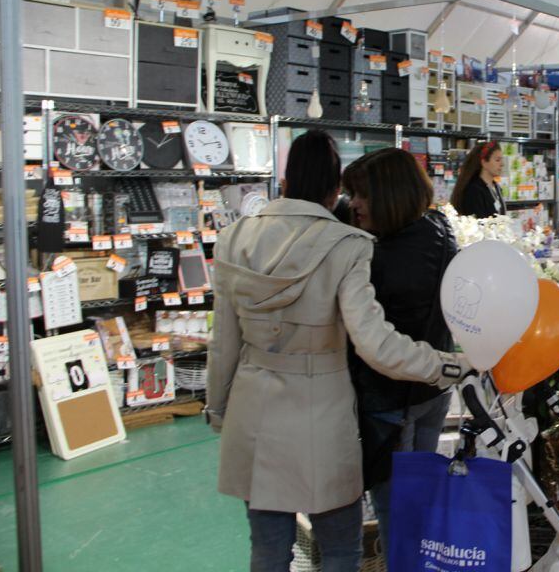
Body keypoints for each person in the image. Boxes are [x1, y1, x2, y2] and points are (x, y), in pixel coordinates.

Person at [206, 130, 468, 571]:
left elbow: (223, 343)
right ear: (333, 191)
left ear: (285, 182)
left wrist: (217, 409)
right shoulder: (347, 246)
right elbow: (377, 346)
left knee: (268, 548)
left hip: (253, 411)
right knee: (340, 549)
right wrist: (451, 366)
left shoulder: (233, 239)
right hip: (322, 415)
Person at [341, 148, 458, 564]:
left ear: (387, 197)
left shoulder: (376, 258)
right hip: (433, 388)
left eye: (362, 196)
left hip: (392, 402)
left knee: (398, 519)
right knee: (419, 506)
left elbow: (374, 342)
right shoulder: (439, 230)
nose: (353, 205)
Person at [450, 140, 505, 218]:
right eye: (497, 160)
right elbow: (477, 224)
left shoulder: (496, 187)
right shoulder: (473, 191)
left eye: (501, 160)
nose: (502, 164)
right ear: (484, 162)